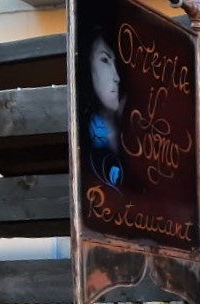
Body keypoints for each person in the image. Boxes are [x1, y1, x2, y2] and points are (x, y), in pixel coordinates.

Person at [81, 23, 127, 190]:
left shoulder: (127, 129)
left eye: (114, 62)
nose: (116, 77)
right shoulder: (85, 136)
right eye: (105, 60)